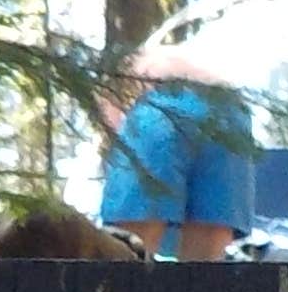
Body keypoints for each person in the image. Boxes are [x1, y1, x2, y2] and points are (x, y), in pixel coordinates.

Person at [91, 39, 257, 262]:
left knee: (129, 252)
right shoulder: (166, 55)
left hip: (160, 105)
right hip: (230, 110)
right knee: (205, 268)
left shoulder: (120, 73)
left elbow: (112, 123)